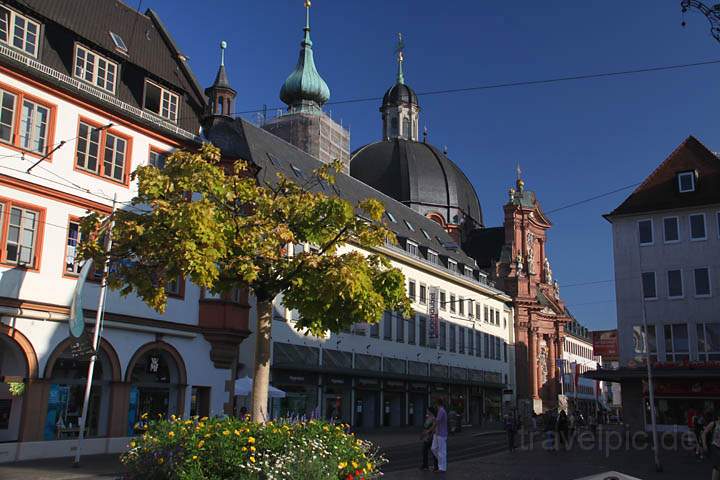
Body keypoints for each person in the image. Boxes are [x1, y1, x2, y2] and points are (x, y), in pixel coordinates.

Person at [431, 398, 448, 472]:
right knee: (433, 448)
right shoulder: (440, 411)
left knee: (441, 451)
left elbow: (437, 422)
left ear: (437, 404)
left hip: (441, 433)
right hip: (438, 433)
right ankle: (441, 462)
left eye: (435, 404)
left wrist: (430, 430)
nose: (434, 405)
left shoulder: (441, 411)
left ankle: (442, 468)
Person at [702, 412, 720, 480]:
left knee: (717, 467)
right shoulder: (714, 423)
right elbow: (704, 433)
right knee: (717, 465)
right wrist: (704, 444)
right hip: (715, 447)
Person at [420, 407, 438, 471]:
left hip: (430, 437)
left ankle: (435, 466)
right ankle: (425, 465)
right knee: (424, 450)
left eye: (427, 410)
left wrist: (429, 433)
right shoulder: (428, 418)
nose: (427, 411)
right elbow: (425, 427)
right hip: (426, 436)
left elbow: (434, 427)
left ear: (430, 411)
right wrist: (422, 435)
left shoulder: (433, 418)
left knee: (433, 451)